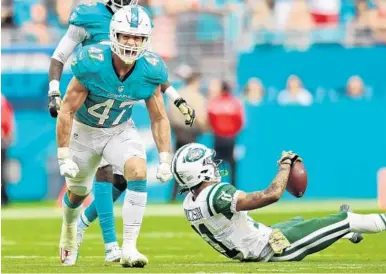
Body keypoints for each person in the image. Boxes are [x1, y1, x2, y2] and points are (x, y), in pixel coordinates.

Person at [47, 0, 195, 263]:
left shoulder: (150, 68)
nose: (132, 43)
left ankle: (128, 248)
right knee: (77, 192)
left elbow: (159, 116)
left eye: (138, 38)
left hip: (118, 128)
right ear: (113, 35)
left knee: (137, 170)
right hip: (85, 129)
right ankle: (71, 225)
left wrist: (164, 157)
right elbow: (67, 109)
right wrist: (63, 154)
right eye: (127, 36)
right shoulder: (91, 60)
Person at [170, 143, 385, 263]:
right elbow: (271, 195)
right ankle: (353, 225)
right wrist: (285, 166)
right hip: (271, 250)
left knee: (299, 220)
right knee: (345, 218)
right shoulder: (216, 195)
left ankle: (344, 232)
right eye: (208, 163)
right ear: (199, 171)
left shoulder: (190, 202)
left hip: (260, 241)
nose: (214, 165)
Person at [207, 81, 244, 186]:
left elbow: (210, 120)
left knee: (215, 165)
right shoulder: (235, 102)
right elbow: (240, 121)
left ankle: (214, 188)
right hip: (231, 139)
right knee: (232, 166)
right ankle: (233, 190)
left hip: (218, 139)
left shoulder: (214, 102)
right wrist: (232, 133)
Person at [1, 95, 15, 206]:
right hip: (3, 139)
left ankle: (3, 197)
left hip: (2, 140)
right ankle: (3, 197)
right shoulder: (3, 100)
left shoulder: (3, 101)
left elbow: (7, 120)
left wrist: (8, 136)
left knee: (2, 171)